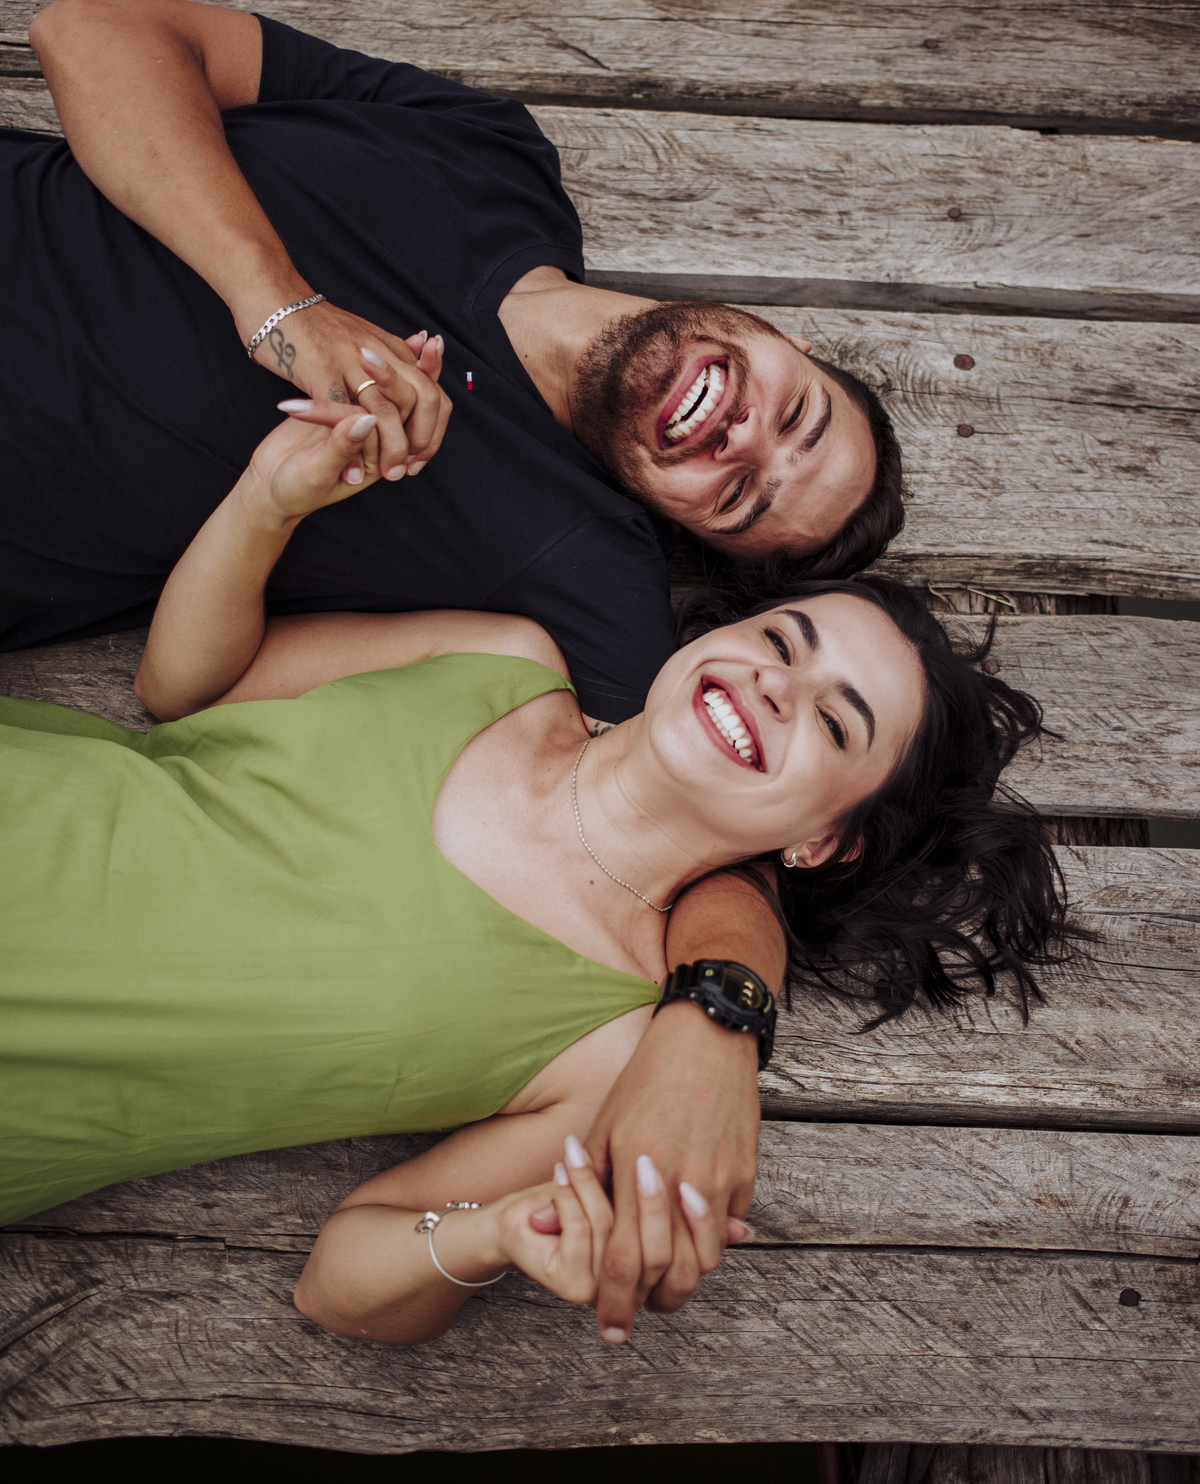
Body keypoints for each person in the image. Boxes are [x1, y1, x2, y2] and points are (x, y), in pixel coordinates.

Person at [1, 0, 905, 1330]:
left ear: (694, 554)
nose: (744, 439)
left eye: (744, 498)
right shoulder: (487, 150)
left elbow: (724, 832)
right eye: (803, 418)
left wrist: (721, 1017)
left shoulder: (578, 591)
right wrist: (283, 307)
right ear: (791, 343)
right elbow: (92, 36)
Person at [1, 404, 1068, 1346]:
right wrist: (266, 501)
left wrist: (497, 1234)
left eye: (836, 722)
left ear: (824, 841)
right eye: (784, 641)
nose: (777, 687)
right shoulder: (503, 657)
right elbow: (184, 689)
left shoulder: (617, 1053)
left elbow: (340, 1286)